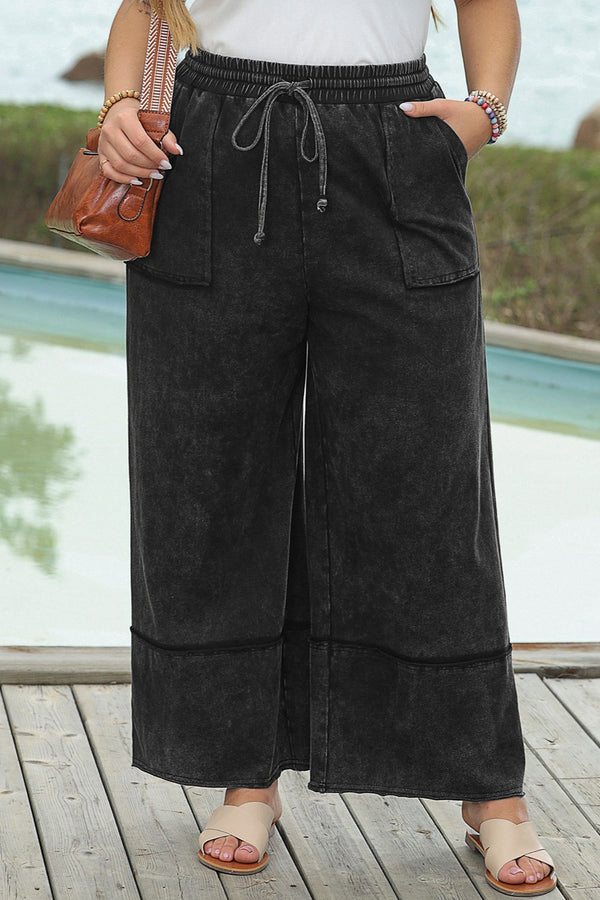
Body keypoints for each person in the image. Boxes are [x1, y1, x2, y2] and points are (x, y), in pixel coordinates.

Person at [98, 0, 557, 893]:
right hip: (211, 147)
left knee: (432, 477)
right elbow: (144, 9)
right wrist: (119, 104)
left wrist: (484, 111)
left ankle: (490, 787)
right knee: (212, 470)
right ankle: (247, 777)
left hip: (396, 143)